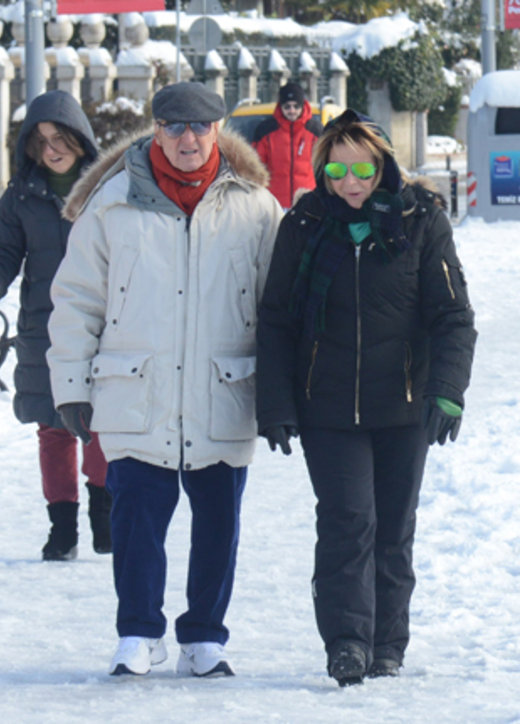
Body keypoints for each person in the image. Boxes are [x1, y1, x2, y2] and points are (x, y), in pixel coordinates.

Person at [46, 82, 282, 677]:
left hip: (224, 388)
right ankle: (138, 631)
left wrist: (282, 392)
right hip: (136, 388)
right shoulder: (113, 203)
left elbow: (278, 305)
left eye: (199, 127)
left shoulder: (256, 207)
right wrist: (71, 385)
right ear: (156, 129)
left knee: (219, 523)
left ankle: (204, 635)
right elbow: (77, 298)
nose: (187, 139)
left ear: (218, 129)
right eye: (174, 126)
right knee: (137, 522)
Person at [256, 109, 476, 686]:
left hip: (403, 406)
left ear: (383, 166)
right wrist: (274, 402)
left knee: (393, 528)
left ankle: (387, 644)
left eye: (362, 169)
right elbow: (276, 319)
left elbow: (453, 315)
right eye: (336, 170)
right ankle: (348, 642)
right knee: (348, 522)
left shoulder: (421, 221)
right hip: (327, 408)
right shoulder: (305, 224)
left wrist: (447, 389)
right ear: (321, 169)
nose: (350, 182)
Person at [0, 90, 107, 562]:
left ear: (79, 138)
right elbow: (2, 253)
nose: (52, 149)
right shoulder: (21, 196)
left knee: (102, 421)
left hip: (103, 324)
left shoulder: (109, 189)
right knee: (53, 425)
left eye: (60, 138)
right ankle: (62, 529)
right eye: (42, 141)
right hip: (43, 328)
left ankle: (104, 515)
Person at [253, 81, 322, 209]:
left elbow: (324, 165)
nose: (292, 111)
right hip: (274, 202)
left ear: (302, 105)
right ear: (281, 107)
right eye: (287, 107)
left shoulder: (315, 130)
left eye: (296, 106)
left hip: (307, 201)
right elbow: (255, 166)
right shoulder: (266, 130)